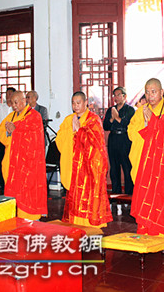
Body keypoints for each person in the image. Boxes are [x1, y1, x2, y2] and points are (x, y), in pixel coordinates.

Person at [128, 78, 164, 240]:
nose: (150, 95)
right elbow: (132, 133)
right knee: (145, 197)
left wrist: (153, 123)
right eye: (147, 92)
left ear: (161, 92)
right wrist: (146, 125)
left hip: (163, 166)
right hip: (145, 164)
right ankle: (145, 231)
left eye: (154, 92)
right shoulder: (141, 111)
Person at [57, 91, 112, 227]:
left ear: (85, 102)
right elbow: (60, 139)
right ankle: (76, 223)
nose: (75, 106)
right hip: (74, 166)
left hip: (88, 168)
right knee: (75, 197)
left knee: (88, 197)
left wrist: (79, 131)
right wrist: (71, 131)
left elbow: (97, 144)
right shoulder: (69, 119)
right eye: (73, 103)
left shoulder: (94, 120)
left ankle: (91, 225)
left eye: (78, 102)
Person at [0, 91, 47, 220]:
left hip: (29, 161)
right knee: (14, 187)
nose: (14, 106)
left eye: (16, 102)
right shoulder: (11, 116)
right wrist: (10, 133)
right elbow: (1, 132)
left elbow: (34, 135)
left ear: (24, 101)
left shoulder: (34, 116)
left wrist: (16, 129)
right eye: (12, 103)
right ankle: (17, 216)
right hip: (12, 158)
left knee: (28, 188)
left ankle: (31, 217)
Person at [103, 87, 135, 195]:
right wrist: (112, 119)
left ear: (125, 96)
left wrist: (117, 118)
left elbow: (128, 124)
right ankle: (116, 193)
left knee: (127, 168)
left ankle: (129, 194)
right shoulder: (111, 109)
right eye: (114, 95)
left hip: (125, 139)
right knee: (114, 168)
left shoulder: (130, 110)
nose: (116, 98)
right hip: (113, 139)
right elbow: (105, 126)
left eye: (118, 95)